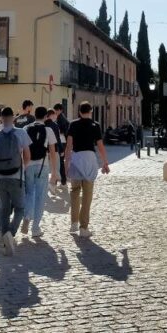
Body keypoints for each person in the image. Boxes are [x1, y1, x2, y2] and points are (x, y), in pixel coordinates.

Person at [0, 107, 30, 255]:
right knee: (20, 208)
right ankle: (10, 234)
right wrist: (23, 167)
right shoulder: (21, 133)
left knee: (4, 209)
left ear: (1, 119)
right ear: (13, 118)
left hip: (1, 178)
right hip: (17, 177)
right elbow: (27, 154)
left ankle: (6, 243)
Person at [65, 102, 110, 239]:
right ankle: (83, 227)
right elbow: (100, 146)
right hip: (89, 159)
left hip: (76, 159)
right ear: (90, 111)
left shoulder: (73, 124)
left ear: (79, 112)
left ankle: (73, 222)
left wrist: (67, 164)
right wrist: (105, 162)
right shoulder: (95, 125)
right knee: (87, 195)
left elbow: (68, 146)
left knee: (74, 191)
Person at [21, 106, 59, 238]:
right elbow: (53, 152)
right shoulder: (48, 130)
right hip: (43, 165)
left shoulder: (25, 129)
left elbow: (22, 149)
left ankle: (26, 216)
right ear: (46, 117)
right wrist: (54, 171)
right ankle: (35, 228)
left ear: (35, 115)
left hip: (28, 165)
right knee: (40, 197)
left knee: (29, 193)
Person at [53, 103, 70, 185]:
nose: (55, 111)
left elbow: (64, 131)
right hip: (62, 142)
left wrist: (58, 131)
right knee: (60, 161)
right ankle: (62, 180)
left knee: (60, 161)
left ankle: (62, 180)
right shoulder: (61, 118)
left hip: (62, 142)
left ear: (60, 110)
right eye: (55, 110)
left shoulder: (61, 119)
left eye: (57, 110)